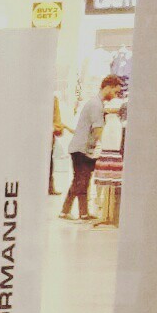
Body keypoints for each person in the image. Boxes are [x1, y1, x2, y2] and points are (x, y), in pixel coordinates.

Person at [62, 75, 123, 221]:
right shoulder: (96, 105)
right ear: (108, 87)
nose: (115, 96)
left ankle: (77, 212)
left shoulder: (96, 103)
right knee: (81, 181)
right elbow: (98, 130)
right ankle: (72, 212)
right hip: (82, 149)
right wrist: (106, 146)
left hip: (82, 148)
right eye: (115, 92)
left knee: (81, 181)